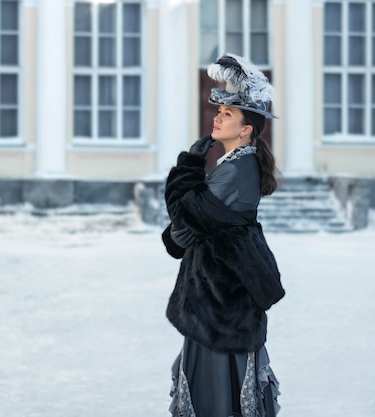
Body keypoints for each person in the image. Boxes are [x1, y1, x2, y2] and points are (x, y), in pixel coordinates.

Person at [161, 53, 285, 417]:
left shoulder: (236, 171)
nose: (217, 117)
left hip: (221, 304)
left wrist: (187, 167)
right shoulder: (233, 164)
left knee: (217, 394)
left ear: (246, 129)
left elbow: (186, 214)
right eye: (219, 112)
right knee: (213, 386)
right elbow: (192, 224)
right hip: (216, 298)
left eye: (227, 114)